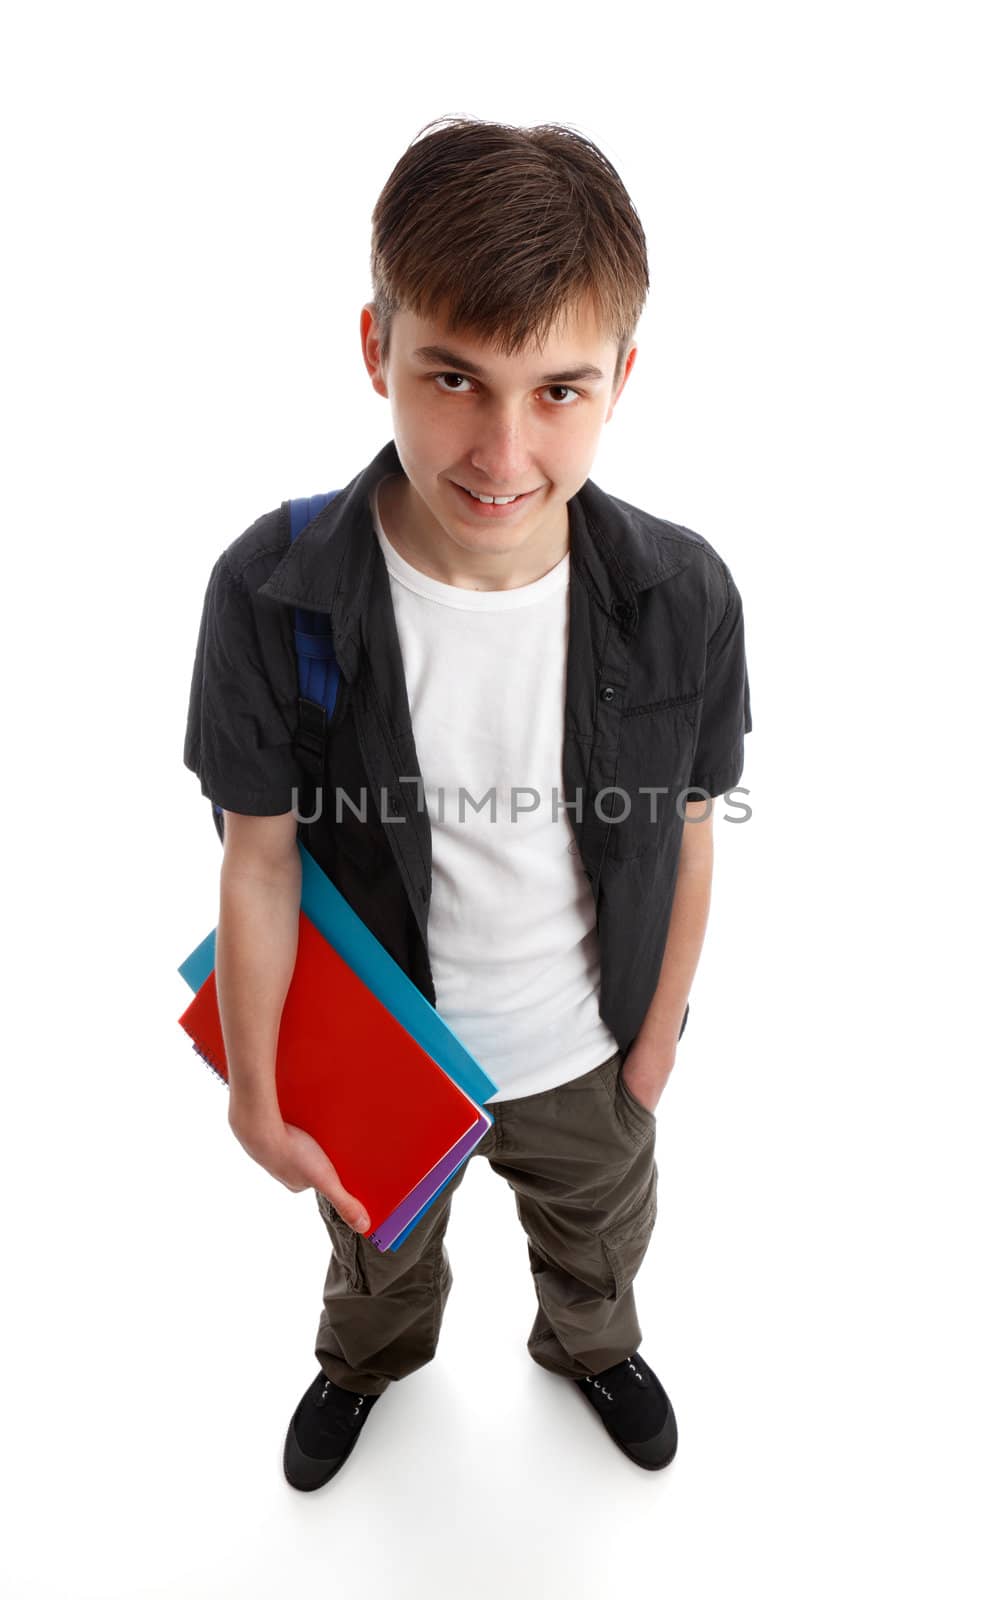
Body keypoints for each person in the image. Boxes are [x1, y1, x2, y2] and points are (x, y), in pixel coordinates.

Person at [183, 116, 752, 1490]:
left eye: (559, 390)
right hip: (384, 1053)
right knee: (374, 1246)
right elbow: (259, 865)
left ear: (624, 377)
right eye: (455, 376)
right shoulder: (271, 589)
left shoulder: (682, 595)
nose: (503, 448)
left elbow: (692, 824)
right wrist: (262, 1097)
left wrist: (657, 1041)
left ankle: (593, 1347)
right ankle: (368, 1360)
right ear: (377, 347)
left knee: (600, 1235)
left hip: (582, 1054)